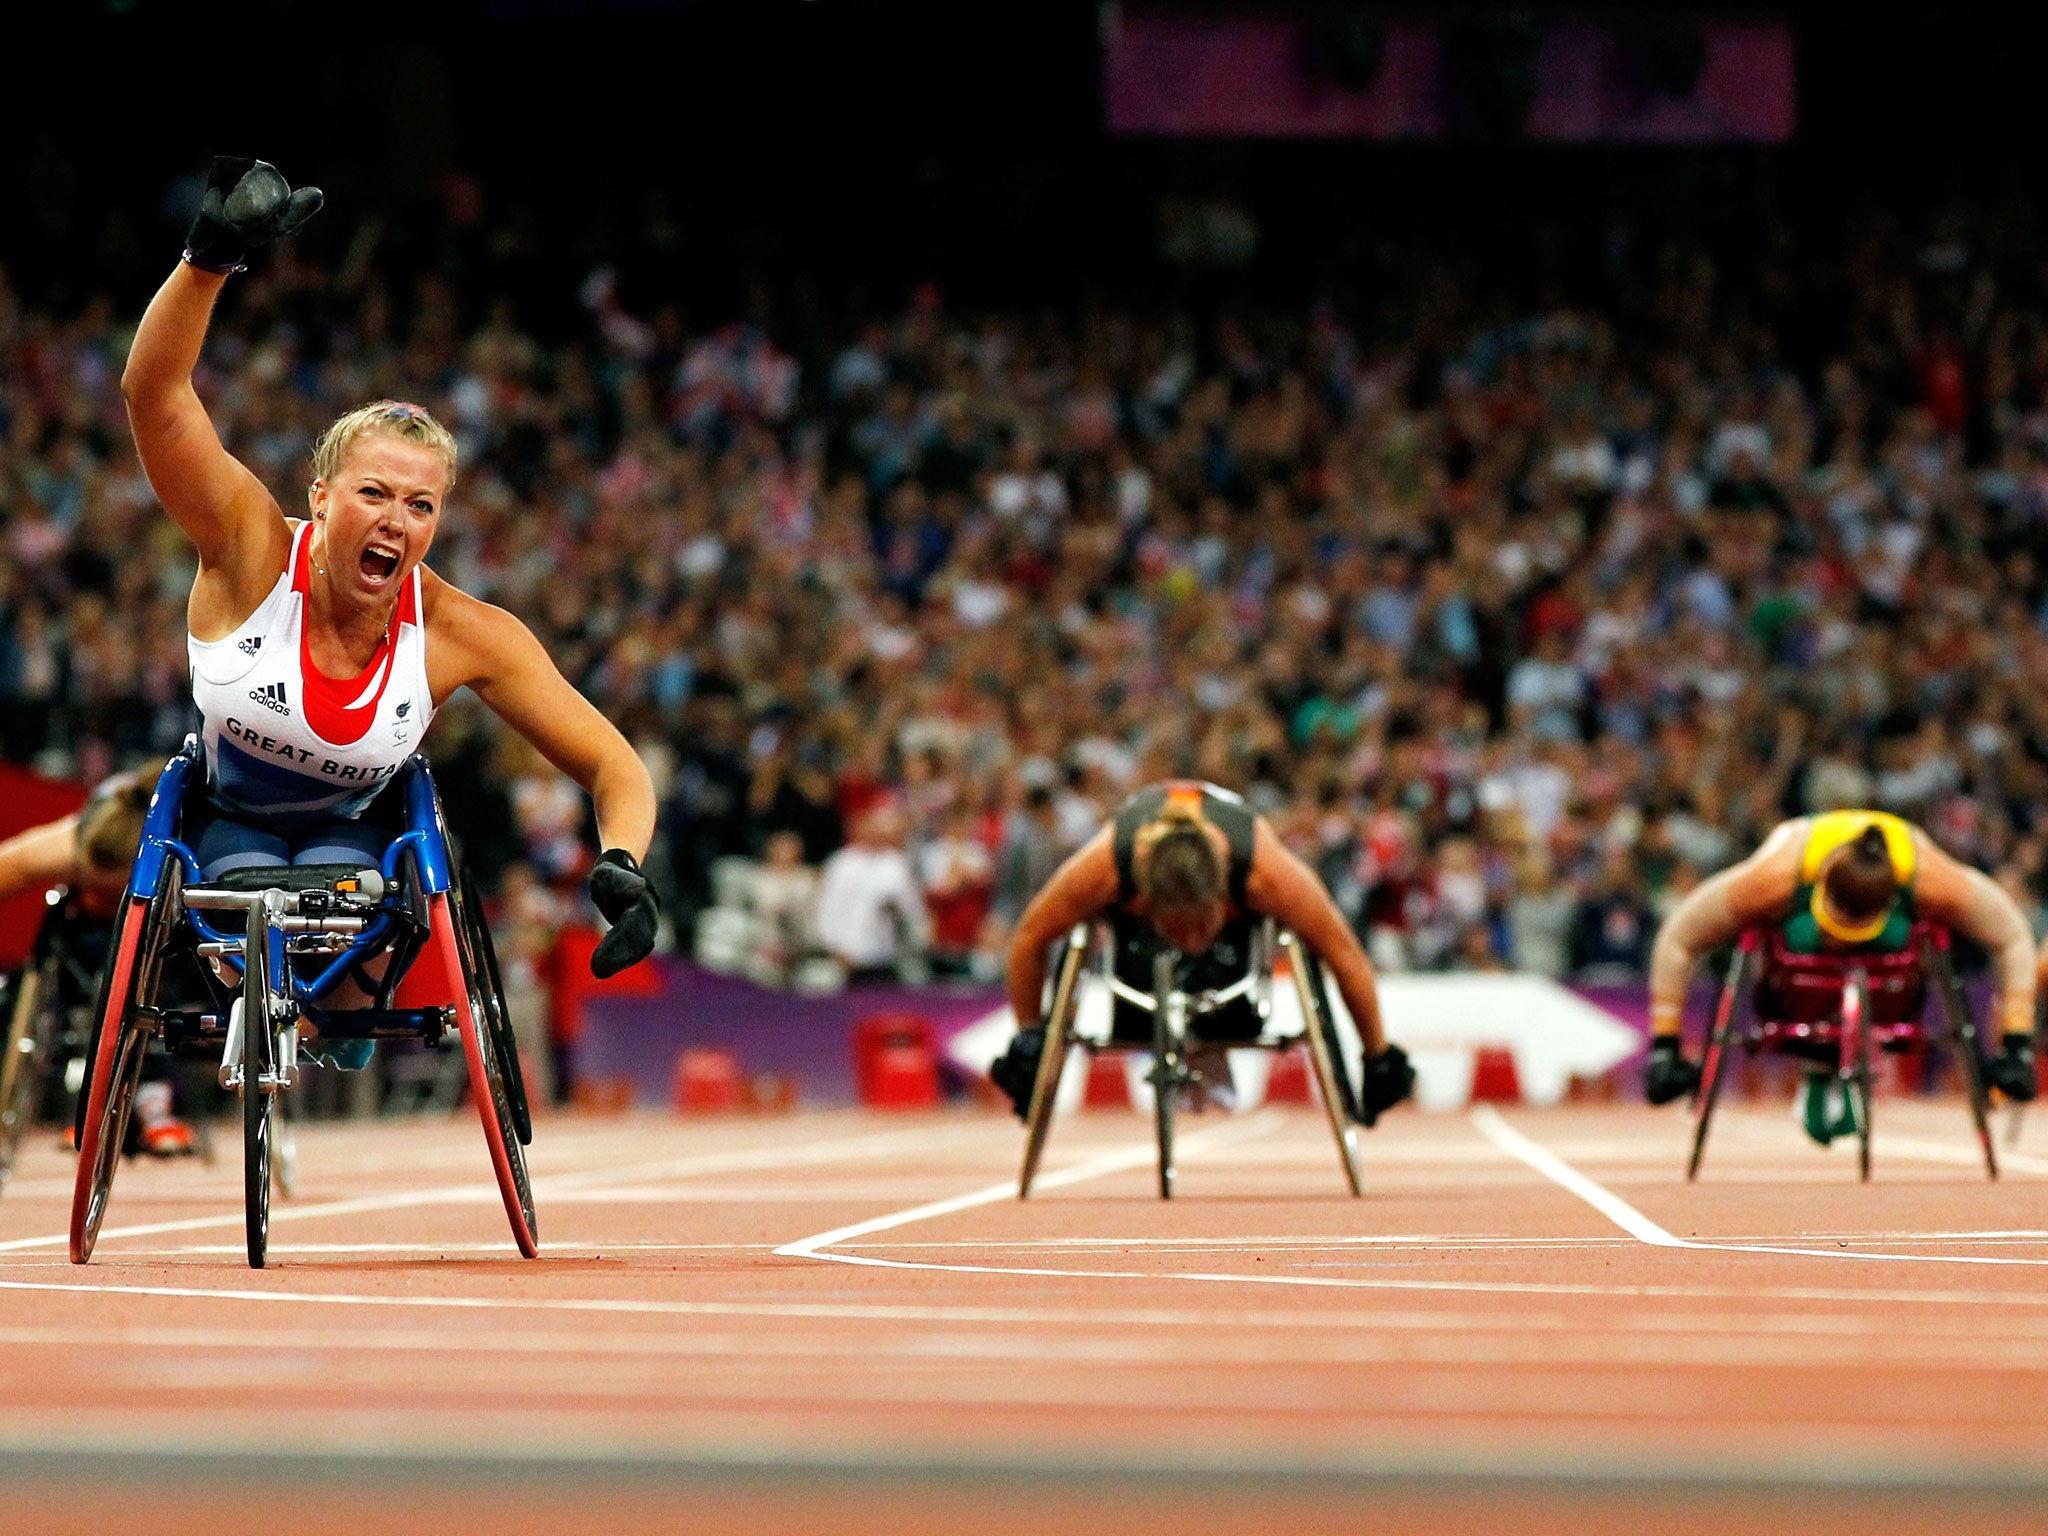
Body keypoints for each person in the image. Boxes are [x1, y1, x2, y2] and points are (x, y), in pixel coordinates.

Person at [120, 157, 660, 1063]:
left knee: (340, 891)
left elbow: (613, 762)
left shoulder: (461, 632)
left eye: (421, 506)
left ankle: (331, 1004)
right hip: (225, 824)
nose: (397, 522)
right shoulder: (252, 547)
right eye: (375, 494)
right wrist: (207, 261)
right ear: (321, 497)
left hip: (357, 841)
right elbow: (154, 398)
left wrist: (626, 861)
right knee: (249, 884)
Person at [990, 780, 1414, 1124]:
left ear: (1223, 897)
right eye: (1177, 928)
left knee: (1272, 954)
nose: (1190, 940)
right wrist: (1030, 1034)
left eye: (1199, 926)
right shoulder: (1106, 867)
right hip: (1139, 947)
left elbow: (1343, 954)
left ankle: (1215, 1016)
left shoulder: (1264, 871)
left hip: (1233, 950)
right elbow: (1029, 939)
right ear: (1145, 903)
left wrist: (1377, 1052)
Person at [1645, 810, 2039, 1143]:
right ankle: (1819, 1062)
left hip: (1890, 984)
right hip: (1792, 982)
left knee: (1914, 944)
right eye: (1835, 929)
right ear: (1823, 882)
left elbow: (2012, 937)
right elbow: (1679, 938)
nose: (1841, 943)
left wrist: (2015, 1043)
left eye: (1855, 932)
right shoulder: (1775, 876)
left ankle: (1837, 1061)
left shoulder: (1931, 879)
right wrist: (1666, 1045)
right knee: (1789, 939)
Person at [0, 771, 195, 1154]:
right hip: (89, 944)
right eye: (98, 893)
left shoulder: (192, 846)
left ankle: (154, 1099)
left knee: (169, 952)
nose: (105, 902)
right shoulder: (63, 846)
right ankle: (98, 1099)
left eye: (113, 896)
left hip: (162, 930)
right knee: (88, 946)